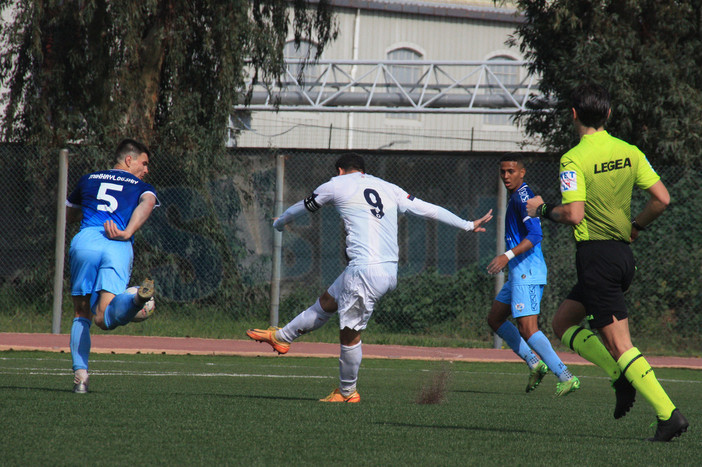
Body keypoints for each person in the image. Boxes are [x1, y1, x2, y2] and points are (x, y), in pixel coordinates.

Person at [247, 153, 493, 402]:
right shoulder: (388, 187)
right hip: (387, 270)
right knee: (328, 301)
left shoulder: (335, 184)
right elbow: (427, 209)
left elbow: (302, 206)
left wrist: (279, 223)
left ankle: (347, 393)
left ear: (340, 170)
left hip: (364, 271)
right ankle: (282, 338)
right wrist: (467, 224)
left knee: (349, 333)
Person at [526, 83, 688, 442]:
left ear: (573, 115)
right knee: (562, 321)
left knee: (620, 345)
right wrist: (636, 226)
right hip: (621, 256)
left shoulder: (574, 158)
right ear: (609, 114)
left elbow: (574, 213)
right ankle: (619, 377)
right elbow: (662, 198)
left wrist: (543, 210)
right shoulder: (629, 151)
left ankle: (668, 415)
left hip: (597, 258)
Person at [66, 138, 159, 394]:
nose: (146, 169)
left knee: (81, 313)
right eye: (144, 162)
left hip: (87, 241)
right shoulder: (142, 186)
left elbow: (69, 212)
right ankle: (135, 302)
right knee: (104, 318)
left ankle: (81, 377)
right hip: (118, 243)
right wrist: (127, 231)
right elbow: (148, 203)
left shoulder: (87, 179)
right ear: (129, 160)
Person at [486, 154, 579, 396]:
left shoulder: (524, 197)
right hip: (519, 273)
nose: (506, 175)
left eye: (511, 171)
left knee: (528, 328)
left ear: (522, 173)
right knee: (495, 318)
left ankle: (565, 375)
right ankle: (535, 364)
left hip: (527, 272)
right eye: (503, 171)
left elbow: (535, 235)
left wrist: (506, 256)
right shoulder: (516, 196)